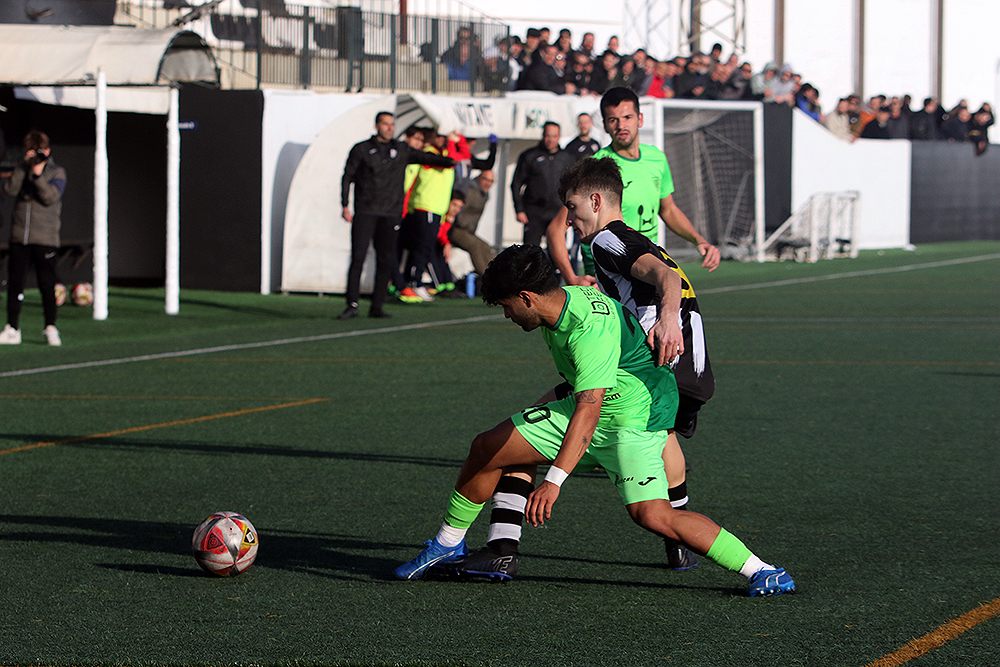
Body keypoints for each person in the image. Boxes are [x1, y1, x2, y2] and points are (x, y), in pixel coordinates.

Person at [393, 244, 795, 598]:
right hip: (599, 404)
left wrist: (553, 482)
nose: (506, 316)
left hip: (633, 419)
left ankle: (763, 571)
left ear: (527, 297)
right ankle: (457, 545)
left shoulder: (587, 328)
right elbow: (579, 394)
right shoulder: (559, 308)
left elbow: (589, 408)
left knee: (652, 515)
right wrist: (531, 423)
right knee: (491, 446)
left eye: (506, 306)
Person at [546, 87, 720, 287]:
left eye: (627, 117)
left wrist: (699, 240)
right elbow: (556, 230)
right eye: (613, 120)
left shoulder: (657, 159)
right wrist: (571, 277)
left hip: (647, 270)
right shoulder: (596, 167)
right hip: (607, 278)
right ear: (604, 125)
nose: (621, 125)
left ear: (640, 119)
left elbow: (668, 209)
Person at [340, 112, 454, 320]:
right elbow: (347, 176)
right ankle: (352, 304)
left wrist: (450, 161)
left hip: (390, 214)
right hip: (366, 211)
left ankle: (377, 306)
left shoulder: (400, 149)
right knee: (358, 257)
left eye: (392, 124)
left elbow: (425, 157)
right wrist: (345, 205)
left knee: (386, 259)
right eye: (386, 124)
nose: (390, 128)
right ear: (377, 125)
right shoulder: (362, 149)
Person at [1, 130, 66, 347]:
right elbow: (9, 190)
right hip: (20, 236)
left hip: (45, 238)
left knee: (46, 284)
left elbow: (50, 197)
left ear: (47, 151)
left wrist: (37, 175)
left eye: (39, 152)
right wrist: (23, 167)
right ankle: (12, 328)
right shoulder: (21, 169)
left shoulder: (57, 172)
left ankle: (50, 327)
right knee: (15, 283)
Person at [510, 121, 576, 246]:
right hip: (534, 212)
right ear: (542, 135)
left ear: (559, 136)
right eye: (547, 136)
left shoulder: (567, 158)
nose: (550, 140)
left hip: (557, 212)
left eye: (554, 136)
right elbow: (516, 184)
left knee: (557, 251)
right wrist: (519, 209)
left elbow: (574, 187)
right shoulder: (529, 156)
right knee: (530, 251)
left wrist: (571, 210)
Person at [448, 170, 496, 276]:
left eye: (492, 181)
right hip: (456, 228)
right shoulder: (470, 190)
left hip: (468, 231)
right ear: (479, 178)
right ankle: (486, 277)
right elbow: (458, 208)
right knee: (475, 246)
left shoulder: (485, 195)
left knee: (486, 247)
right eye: (486, 180)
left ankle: (498, 276)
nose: (488, 184)